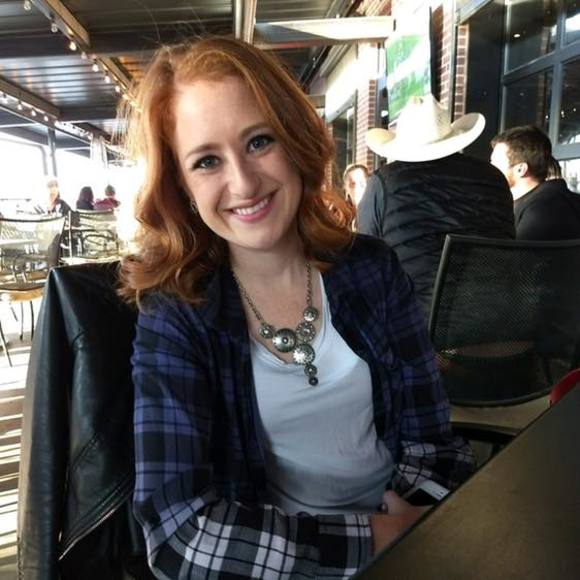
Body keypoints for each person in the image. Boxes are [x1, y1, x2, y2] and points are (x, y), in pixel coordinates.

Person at [120, 37, 474, 580]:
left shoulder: (372, 268)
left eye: (259, 141)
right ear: (181, 186)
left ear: (295, 140)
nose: (243, 183)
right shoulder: (176, 315)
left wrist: (413, 527)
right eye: (207, 161)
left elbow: (432, 442)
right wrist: (375, 541)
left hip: (409, 533)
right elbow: (178, 534)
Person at [358, 94, 515, 316]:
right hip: (504, 319)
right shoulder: (494, 177)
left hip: (418, 327)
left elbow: (365, 258)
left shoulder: (383, 183)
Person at [490, 125, 580, 240]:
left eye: (494, 162)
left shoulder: (544, 210)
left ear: (521, 169)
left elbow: (518, 251)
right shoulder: (535, 202)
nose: (490, 168)